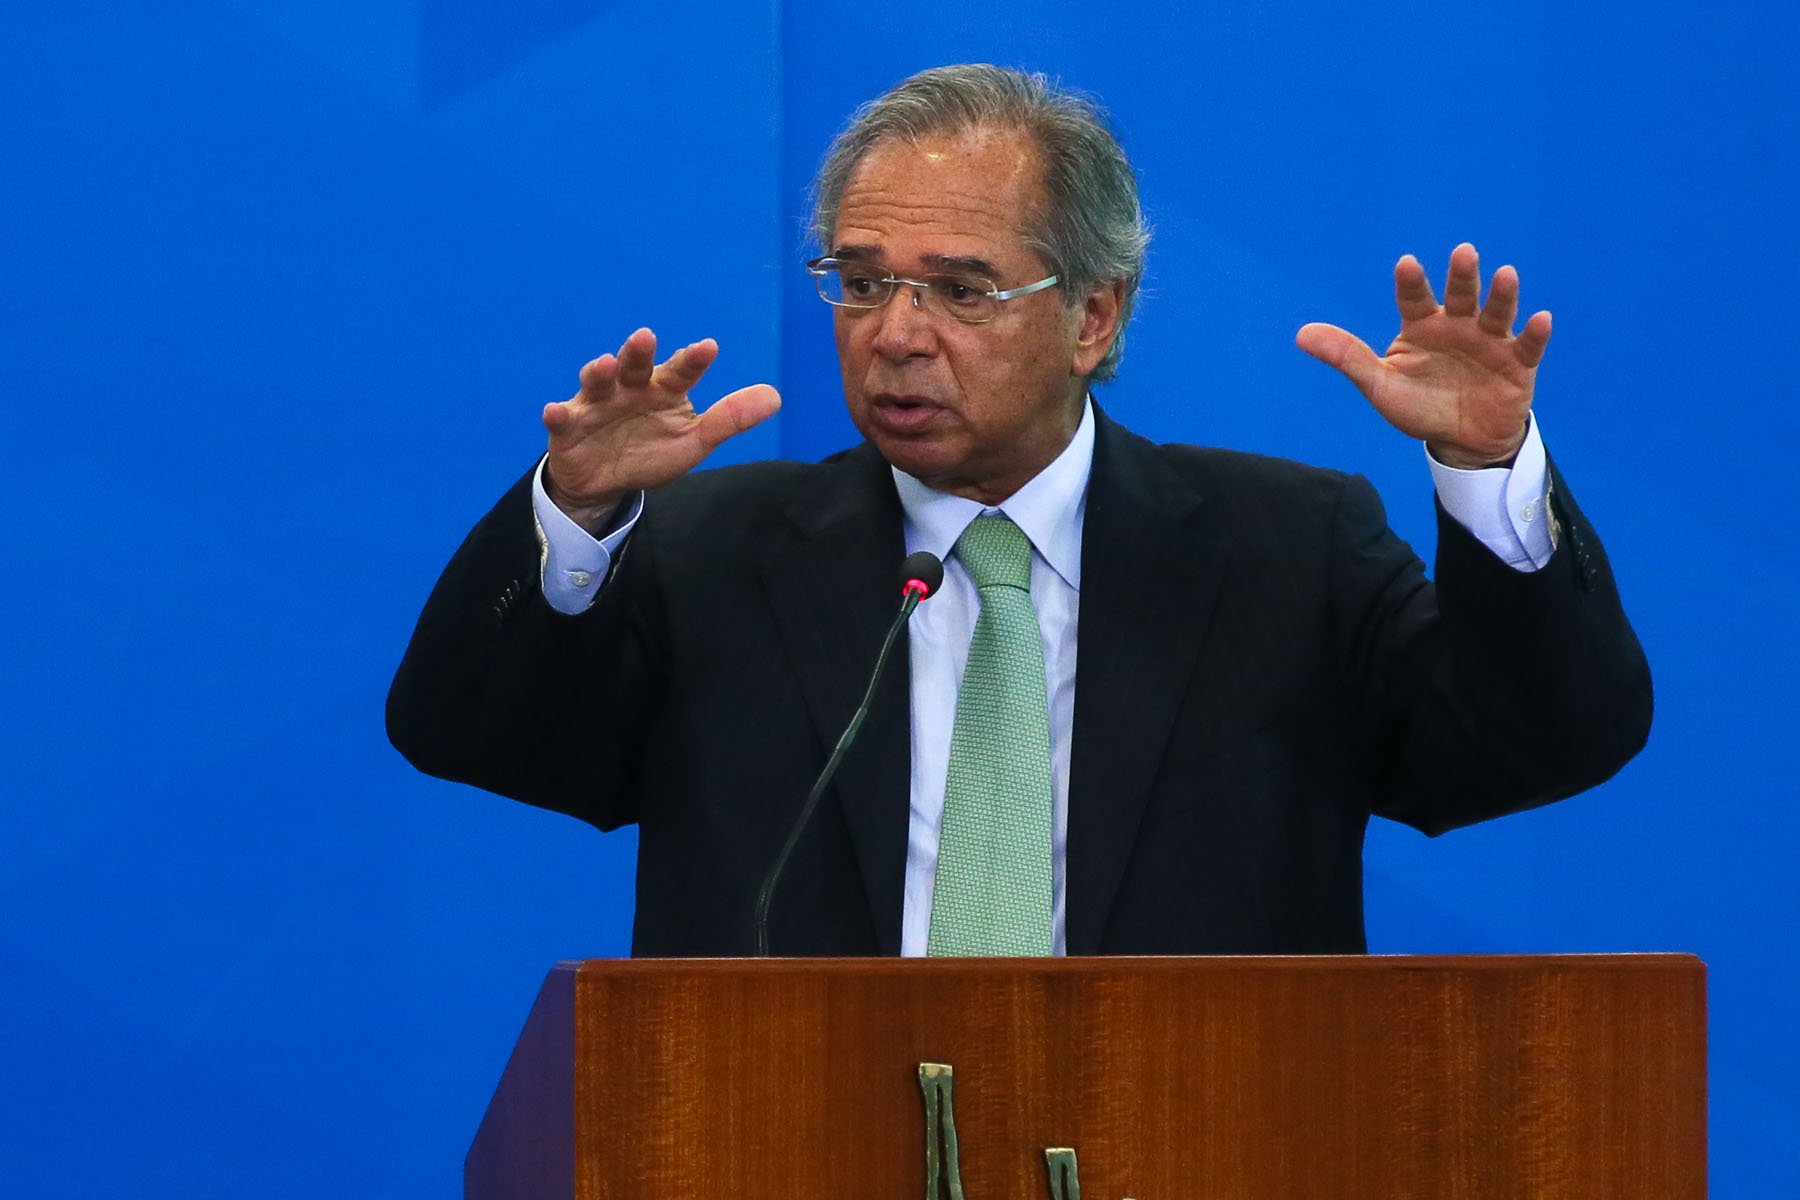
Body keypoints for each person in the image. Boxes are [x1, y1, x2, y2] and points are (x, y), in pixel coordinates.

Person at [387, 65, 1650, 958]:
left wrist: (1490, 478)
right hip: (790, 1140)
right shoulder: (714, 553)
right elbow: (473, 734)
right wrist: (575, 517)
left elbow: (1545, 739)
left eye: (960, 290)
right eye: (863, 280)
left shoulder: (1287, 551)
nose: (895, 336)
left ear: (1092, 318)